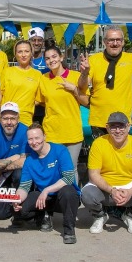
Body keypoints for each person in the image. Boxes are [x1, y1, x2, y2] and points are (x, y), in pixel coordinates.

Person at [82, 112, 132, 235]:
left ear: (128, 127)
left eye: (121, 126)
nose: (118, 131)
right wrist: (111, 190)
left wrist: (131, 192)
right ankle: (100, 216)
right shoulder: (98, 143)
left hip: (129, 188)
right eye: (113, 126)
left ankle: (130, 216)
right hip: (106, 188)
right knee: (86, 194)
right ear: (107, 128)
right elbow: (94, 174)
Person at [13, 123, 80, 244]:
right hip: (45, 198)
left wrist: (47, 190)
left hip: (62, 196)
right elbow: (24, 186)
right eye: (30, 139)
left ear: (44, 136)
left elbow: (69, 177)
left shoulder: (60, 150)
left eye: (37, 138)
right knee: (21, 209)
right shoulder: (29, 161)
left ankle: (69, 230)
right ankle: (44, 216)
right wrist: (17, 199)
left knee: (68, 191)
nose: (34, 142)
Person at [37, 45, 89, 173]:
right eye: (47, 58)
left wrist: (74, 89)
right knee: (53, 169)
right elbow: (40, 102)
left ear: (61, 57)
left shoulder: (76, 76)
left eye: (54, 56)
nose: (51, 60)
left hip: (72, 132)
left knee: (71, 169)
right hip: (52, 132)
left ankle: (74, 188)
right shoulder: (43, 79)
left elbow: (86, 102)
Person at [0, 102, 29, 221]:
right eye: (5, 118)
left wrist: (2, 168)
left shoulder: (25, 131)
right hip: (0, 178)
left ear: (18, 119)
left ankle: (20, 208)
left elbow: (24, 161)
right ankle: (10, 204)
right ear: (0, 119)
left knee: (20, 173)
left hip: (14, 174)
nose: (9, 122)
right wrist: (15, 157)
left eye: (12, 118)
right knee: (0, 215)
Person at [1, 40, 42, 126]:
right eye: (20, 52)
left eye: (26, 51)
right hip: (7, 119)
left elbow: (38, 99)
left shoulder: (37, 74)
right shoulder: (7, 72)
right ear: (15, 54)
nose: (23, 55)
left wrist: (26, 104)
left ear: (31, 53)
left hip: (26, 120)